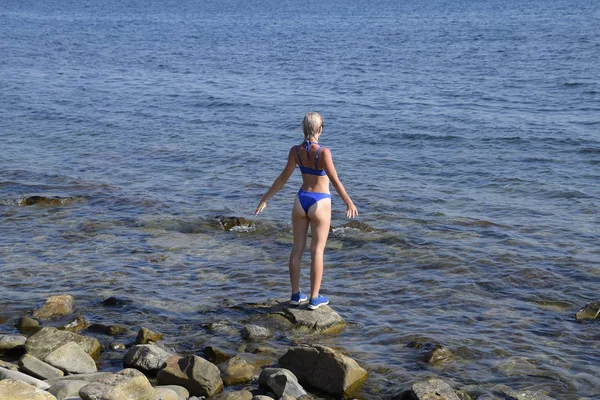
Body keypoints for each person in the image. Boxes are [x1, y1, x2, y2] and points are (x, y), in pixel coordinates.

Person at [254, 112, 358, 310]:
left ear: (303, 129)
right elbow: (335, 180)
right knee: (317, 251)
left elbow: (283, 178)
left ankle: (295, 295)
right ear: (319, 129)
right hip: (320, 202)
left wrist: (265, 199)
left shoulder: (296, 151)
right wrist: (348, 202)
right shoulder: (324, 152)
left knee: (297, 249)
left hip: (300, 201)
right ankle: (314, 298)